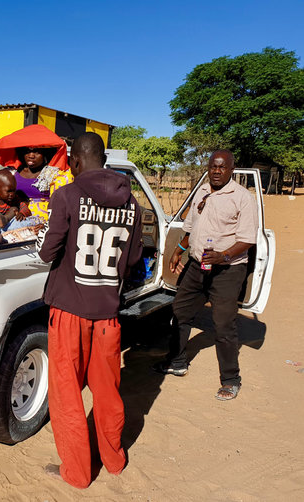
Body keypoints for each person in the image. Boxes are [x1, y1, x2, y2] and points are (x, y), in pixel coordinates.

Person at [37, 132, 142, 489]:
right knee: (107, 390)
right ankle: (113, 460)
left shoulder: (66, 195)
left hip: (69, 311)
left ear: (75, 161)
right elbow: (131, 262)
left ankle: (78, 472)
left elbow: (47, 252)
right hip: (108, 314)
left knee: (67, 394)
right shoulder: (132, 203)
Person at [153, 150, 257, 401]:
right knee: (180, 311)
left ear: (232, 169)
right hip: (198, 265)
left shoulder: (242, 198)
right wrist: (179, 250)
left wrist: (224, 256)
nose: (217, 171)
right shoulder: (201, 191)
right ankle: (177, 361)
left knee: (223, 325)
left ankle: (231, 379)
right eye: (213, 166)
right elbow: (190, 228)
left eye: (222, 167)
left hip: (228, 270)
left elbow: (247, 240)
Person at [0, 124, 72, 220]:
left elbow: (60, 205)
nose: (31, 156)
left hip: (42, 220)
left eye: (37, 151)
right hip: (12, 218)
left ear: (46, 153)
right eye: (27, 151)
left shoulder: (55, 175)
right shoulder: (11, 172)